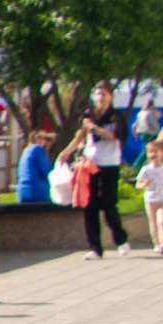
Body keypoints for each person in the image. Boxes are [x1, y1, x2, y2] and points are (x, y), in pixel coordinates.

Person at [65, 85, 132, 258]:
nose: (100, 97)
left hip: (109, 164)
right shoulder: (89, 115)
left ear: (110, 97)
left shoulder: (116, 116)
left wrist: (93, 128)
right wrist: (65, 153)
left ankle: (121, 240)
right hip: (90, 164)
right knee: (90, 206)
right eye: (97, 94)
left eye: (104, 94)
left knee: (109, 205)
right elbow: (79, 136)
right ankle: (95, 247)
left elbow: (113, 136)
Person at [14, 128, 55, 204]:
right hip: (37, 192)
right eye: (42, 138)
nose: (45, 141)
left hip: (22, 192)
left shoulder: (26, 151)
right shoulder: (37, 149)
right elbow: (48, 172)